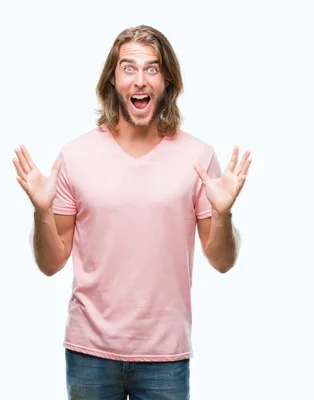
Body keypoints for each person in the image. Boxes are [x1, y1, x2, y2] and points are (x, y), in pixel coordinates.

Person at [12, 25, 251, 400]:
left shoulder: (198, 158)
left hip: (165, 357)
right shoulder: (75, 155)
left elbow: (222, 261)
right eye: (129, 68)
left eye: (152, 69)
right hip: (90, 352)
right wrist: (42, 212)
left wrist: (223, 215)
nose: (140, 80)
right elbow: (50, 263)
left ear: (167, 81)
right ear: (113, 79)